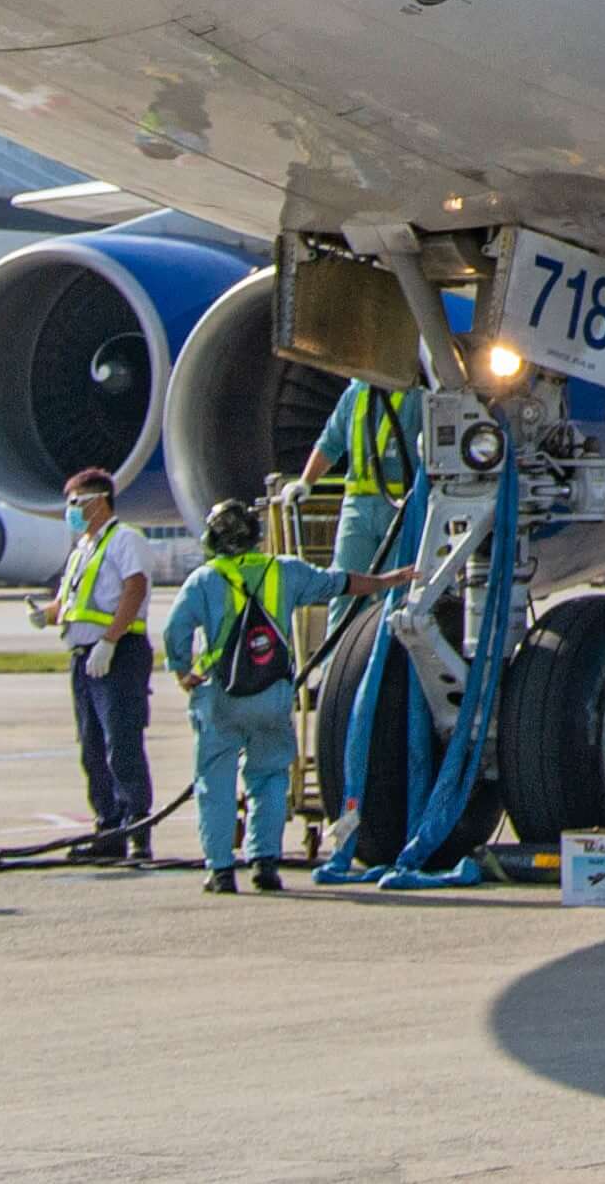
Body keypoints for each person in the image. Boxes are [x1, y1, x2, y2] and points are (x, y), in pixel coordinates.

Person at [163, 496, 399, 893]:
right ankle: (265, 863)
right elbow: (338, 583)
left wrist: (183, 671)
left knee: (215, 782)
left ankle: (221, 870)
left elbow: (175, 631)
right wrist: (385, 582)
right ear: (256, 537)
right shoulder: (283, 571)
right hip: (272, 694)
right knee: (270, 777)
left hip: (221, 695)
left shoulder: (204, 580)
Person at [35, 466, 157, 864]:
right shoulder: (83, 548)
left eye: (76, 503)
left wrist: (109, 640)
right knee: (91, 748)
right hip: (83, 656)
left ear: (99, 501)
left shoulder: (125, 540)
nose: (70, 511)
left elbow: (134, 587)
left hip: (116, 654)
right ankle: (108, 828)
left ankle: (136, 829)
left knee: (121, 744)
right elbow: (73, 603)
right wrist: (48, 613)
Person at [292, 378, 420, 580]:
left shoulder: (418, 397)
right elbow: (330, 443)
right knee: (344, 583)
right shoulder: (355, 394)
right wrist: (305, 482)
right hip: (358, 507)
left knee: (398, 588)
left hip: (403, 507)